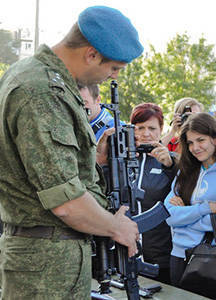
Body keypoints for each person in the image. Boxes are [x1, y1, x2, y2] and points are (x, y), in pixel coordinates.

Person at [0, 6, 143, 299]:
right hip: (45, 267)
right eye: (113, 68)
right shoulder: (41, 92)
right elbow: (66, 203)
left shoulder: (46, 82)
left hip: (50, 260)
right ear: (91, 54)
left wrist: (96, 161)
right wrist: (117, 228)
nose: (113, 77)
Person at [164, 112, 216, 299]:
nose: (195, 147)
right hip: (179, 254)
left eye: (200, 140)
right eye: (190, 142)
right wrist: (205, 208)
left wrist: (184, 216)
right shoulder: (186, 171)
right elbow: (168, 215)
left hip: (214, 259)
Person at [129, 103, 177, 284]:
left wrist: (171, 166)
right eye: (140, 127)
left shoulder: (171, 161)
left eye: (152, 128)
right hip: (125, 252)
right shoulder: (121, 160)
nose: (146, 133)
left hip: (161, 256)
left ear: (161, 130)